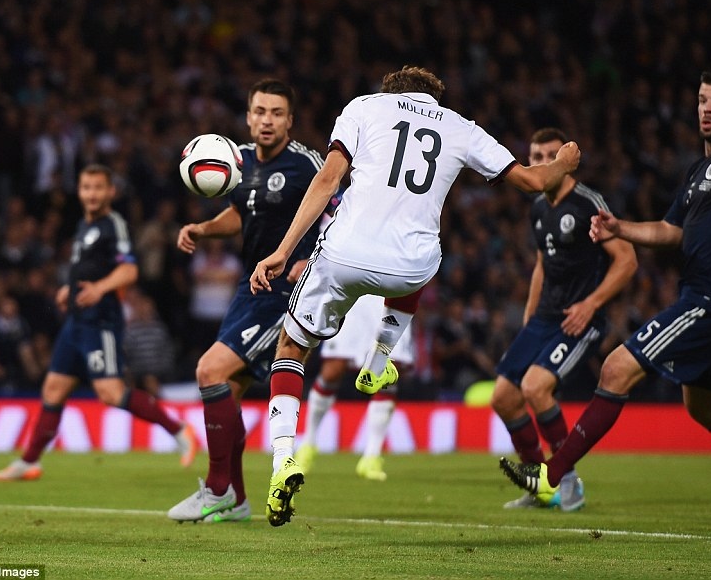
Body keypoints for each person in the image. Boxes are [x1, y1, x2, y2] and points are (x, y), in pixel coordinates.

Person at [499, 69, 711, 528]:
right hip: (708, 299)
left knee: (616, 367)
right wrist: (620, 228)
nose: (707, 109)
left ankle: (551, 477)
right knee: (705, 408)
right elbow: (669, 231)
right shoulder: (698, 172)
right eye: (702, 100)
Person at [250, 65, 580, 527]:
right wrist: (563, 162)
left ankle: (283, 457)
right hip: (409, 267)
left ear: (391, 90)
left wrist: (283, 251)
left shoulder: (364, 107)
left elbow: (328, 179)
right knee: (425, 253)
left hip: (344, 254)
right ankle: (380, 357)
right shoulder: (460, 126)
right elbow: (532, 182)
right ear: (434, 99)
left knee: (292, 346)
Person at [166, 78, 326, 524]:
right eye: (259, 111)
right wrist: (202, 229)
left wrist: (310, 258)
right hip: (248, 288)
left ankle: (217, 490)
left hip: (286, 290)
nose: (267, 120)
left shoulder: (307, 164)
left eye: (276, 113)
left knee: (209, 370)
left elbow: (340, 213)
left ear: (290, 121)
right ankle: (235, 498)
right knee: (227, 394)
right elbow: (240, 213)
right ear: (249, 116)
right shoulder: (238, 159)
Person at [0, 164, 198, 481]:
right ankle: (30, 461)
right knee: (53, 389)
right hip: (76, 322)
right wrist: (70, 290)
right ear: (79, 190)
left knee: (111, 393)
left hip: (100, 322)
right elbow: (91, 269)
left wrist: (100, 289)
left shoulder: (113, 225)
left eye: (98, 187)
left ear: (110, 191)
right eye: (86, 187)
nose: (92, 194)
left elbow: (129, 270)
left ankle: (179, 430)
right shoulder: (84, 226)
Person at [493, 128, 636, 512]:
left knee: (535, 388)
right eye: (537, 157)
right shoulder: (539, 207)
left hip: (580, 319)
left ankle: (566, 479)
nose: (544, 163)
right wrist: (529, 314)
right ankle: (539, 486)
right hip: (544, 317)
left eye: (551, 156)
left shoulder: (588, 203)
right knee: (503, 398)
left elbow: (627, 261)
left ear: (567, 161)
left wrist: (591, 304)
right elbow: (542, 265)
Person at [294, 293, 417, 481]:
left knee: (386, 369)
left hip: (392, 291)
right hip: (356, 293)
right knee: (333, 369)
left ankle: (372, 456)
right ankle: (308, 444)